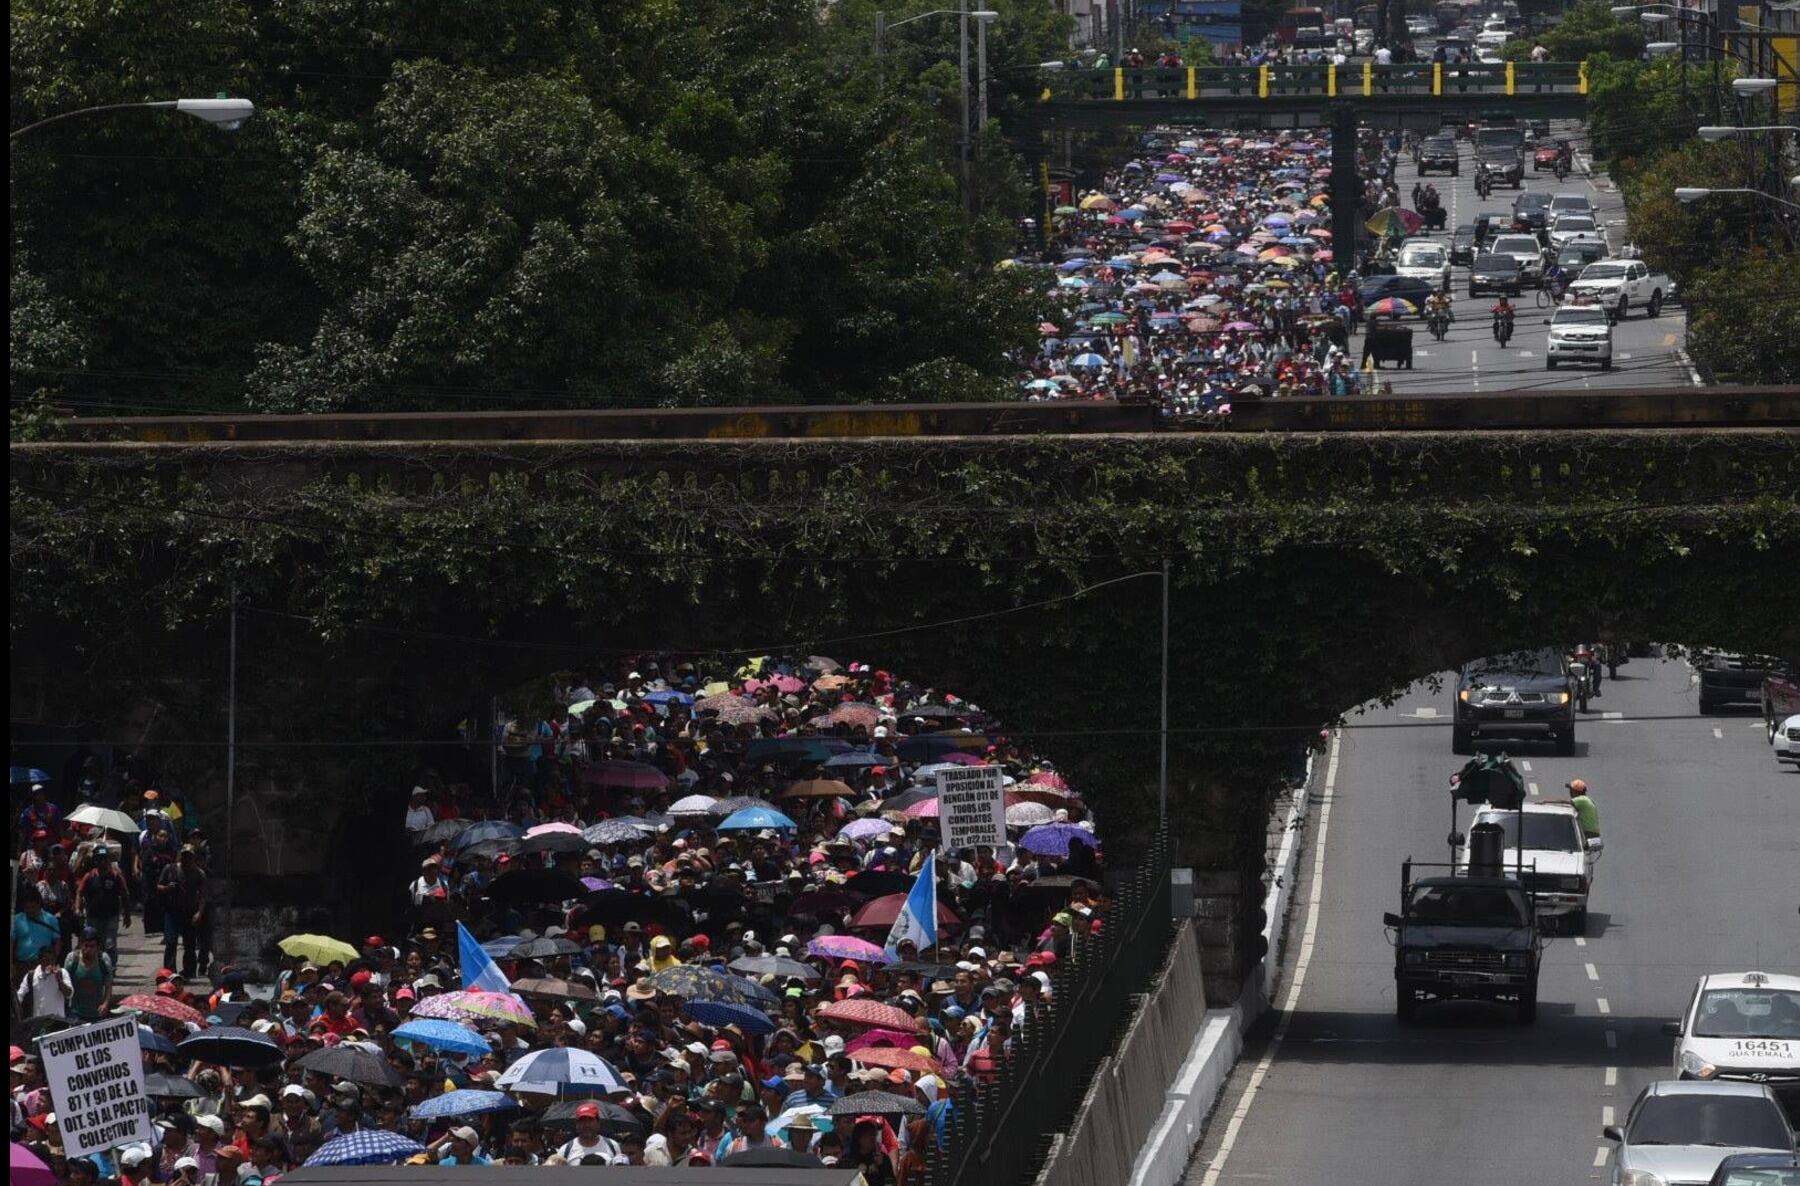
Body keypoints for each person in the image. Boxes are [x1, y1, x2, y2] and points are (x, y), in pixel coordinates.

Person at [75, 844, 132, 962]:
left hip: (111, 916)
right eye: (99, 859)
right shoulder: (89, 876)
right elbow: (80, 893)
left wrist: (127, 915)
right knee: (93, 943)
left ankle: (111, 967)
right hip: (93, 917)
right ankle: (95, 966)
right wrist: (78, 909)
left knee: (110, 944)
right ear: (95, 860)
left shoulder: (115, 876)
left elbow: (125, 895)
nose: (102, 862)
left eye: (104, 858)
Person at [157, 845, 207, 979]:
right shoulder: (170, 869)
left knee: (189, 944)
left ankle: (189, 971)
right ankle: (169, 971)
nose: (186, 859)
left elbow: (203, 895)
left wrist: (199, 913)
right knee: (171, 941)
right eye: (184, 856)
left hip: (189, 912)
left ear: (193, 858)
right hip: (172, 911)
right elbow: (159, 886)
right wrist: (167, 888)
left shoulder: (199, 873)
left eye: (189, 856)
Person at [63, 928, 114, 1021]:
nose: (88, 949)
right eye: (86, 945)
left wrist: (105, 1004)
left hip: (97, 1013)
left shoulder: (104, 960)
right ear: (80, 945)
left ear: (98, 947)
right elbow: (66, 985)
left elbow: (108, 985)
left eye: (92, 946)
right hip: (75, 1013)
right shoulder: (72, 959)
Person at [554, 1102, 624, 1164]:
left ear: (598, 1122)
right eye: (582, 1121)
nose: (586, 1125)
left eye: (590, 1120)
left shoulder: (613, 1146)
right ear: (576, 1124)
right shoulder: (565, 1151)